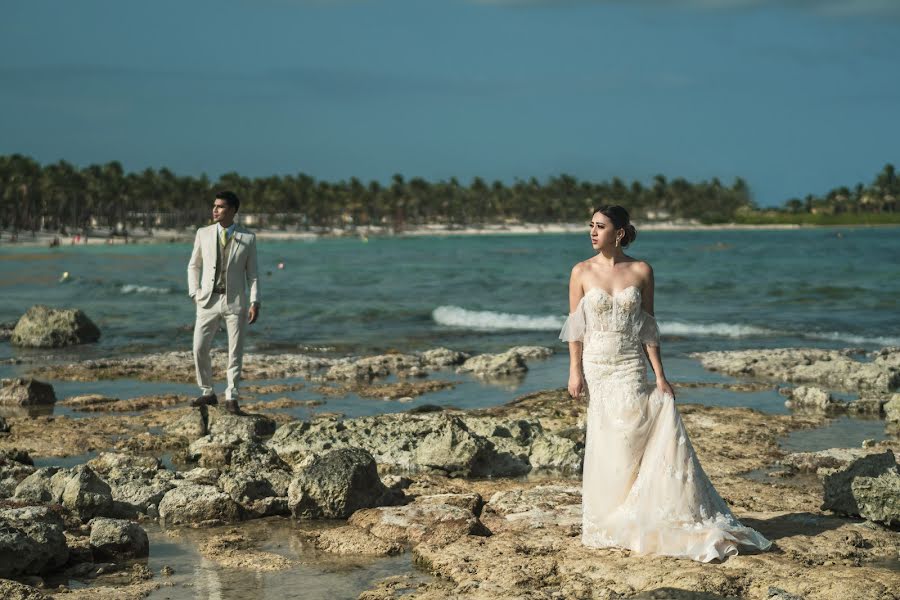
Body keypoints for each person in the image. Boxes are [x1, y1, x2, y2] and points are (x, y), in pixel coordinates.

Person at [560, 205, 770, 562]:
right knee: (608, 435)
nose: (592, 232)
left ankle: (638, 508)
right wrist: (574, 371)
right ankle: (608, 514)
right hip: (597, 364)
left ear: (620, 232)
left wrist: (660, 375)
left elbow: (648, 327)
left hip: (629, 363)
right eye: (591, 226)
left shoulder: (642, 270)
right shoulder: (580, 271)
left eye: (600, 226)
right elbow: (575, 329)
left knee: (635, 431)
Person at [187, 190, 260, 414]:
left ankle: (232, 396)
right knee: (199, 347)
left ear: (232, 210)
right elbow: (194, 265)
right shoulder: (203, 233)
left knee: (234, 351)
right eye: (214, 206)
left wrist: (255, 301)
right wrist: (195, 292)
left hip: (235, 302)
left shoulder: (248, 238)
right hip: (208, 300)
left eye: (220, 207)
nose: (214, 210)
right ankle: (208, 392)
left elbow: (253, 275)